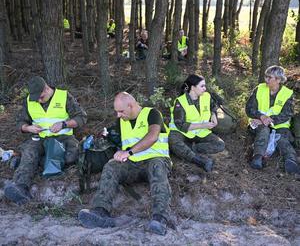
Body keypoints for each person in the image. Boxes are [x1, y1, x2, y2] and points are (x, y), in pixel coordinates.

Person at [78, 92, 172, 236]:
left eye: (121, 111)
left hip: (157, 160)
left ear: (131, 105)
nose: (118, 115)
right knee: (112, 166)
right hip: (134, 165)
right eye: (116, 112)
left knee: (156, 166)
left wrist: (128, 152)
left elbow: (153, 137)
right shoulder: (121, 121)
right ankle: (100, 212)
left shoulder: (152, 114)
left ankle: (160, 218)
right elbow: (115, 139)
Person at [4, 76, 87, 204]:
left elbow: (81, 117)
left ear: (47, 89)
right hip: (40, 138)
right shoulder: (29, 101)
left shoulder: (64, 96)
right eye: (35, 98)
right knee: (30, 151)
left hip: (63, 138)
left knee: (71, 157)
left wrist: (64, 124)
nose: (38, 100)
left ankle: (26, 162)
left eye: (40, 97)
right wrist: (28, 128)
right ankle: (21, 188)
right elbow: (20, 122)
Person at [246, 65, 300, 174]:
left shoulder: (287, 93)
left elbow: (287, 113)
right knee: (264, 130)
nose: (266, 79)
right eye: (266, 76)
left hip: (279, 126)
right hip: (258, 124)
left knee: (282, 139)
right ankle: (257, 157)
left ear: (278, 80)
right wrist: (261, 117)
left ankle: (291, 161)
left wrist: (269, 120)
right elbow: (249, 108)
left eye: (269, 77)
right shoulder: (259, 89)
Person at [169, 74, 225, 172]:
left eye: (205, 86)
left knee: (220, 144)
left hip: (200, 132)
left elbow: (213, 106)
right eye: (202, 86)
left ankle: (190, 148)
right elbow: (180, 125)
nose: (205, 88)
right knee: (173, 141)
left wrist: (213, 115)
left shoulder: (206, 96)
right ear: (193, 87)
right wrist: (203, 125)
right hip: (181, 132)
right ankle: (199, 161)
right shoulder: (180, 101)